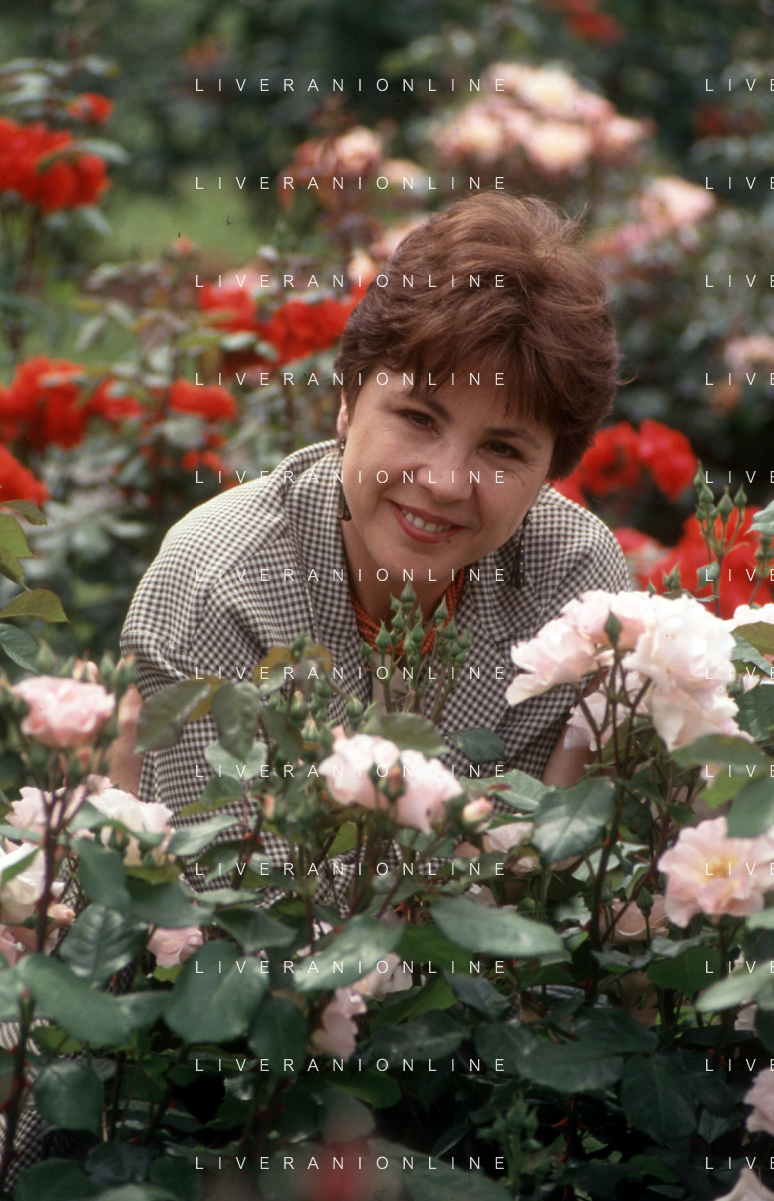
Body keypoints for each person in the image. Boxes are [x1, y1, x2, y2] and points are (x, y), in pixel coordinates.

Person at [116, 191, 631, 904]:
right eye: (419, 418)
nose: (445, 481)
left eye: (503, 449)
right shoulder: (222, 586)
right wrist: (505, 861)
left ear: (550, 473)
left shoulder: (571, 581)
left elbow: (558, 903)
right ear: (348, 400)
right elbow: (233, 913)